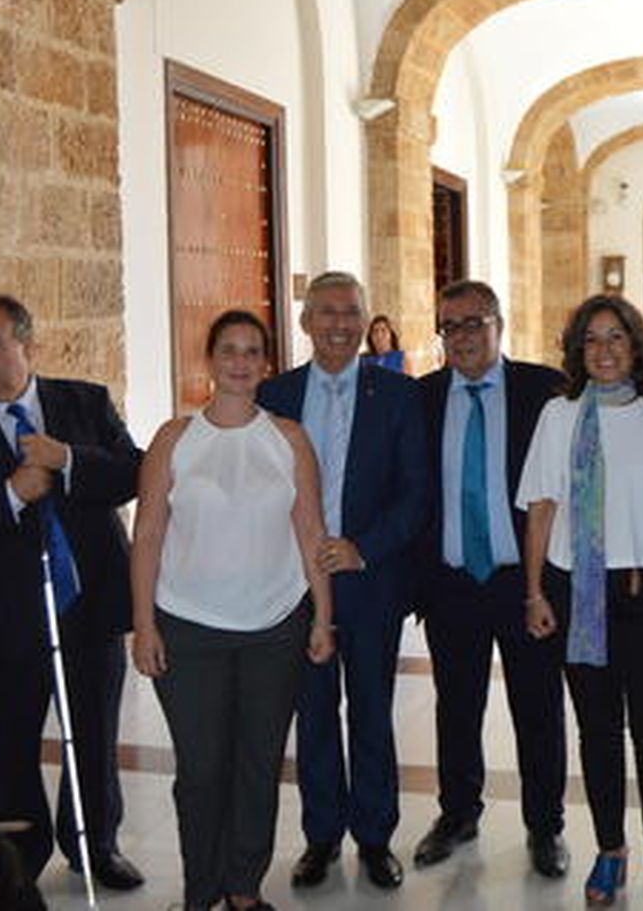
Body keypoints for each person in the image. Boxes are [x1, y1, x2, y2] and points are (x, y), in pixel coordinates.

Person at [0, 294, 144, 890]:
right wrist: (12, 494)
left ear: (28, 345)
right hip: (0, 618)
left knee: (93, 736)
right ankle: (18, 860)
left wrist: (68, 460)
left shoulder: (84, 402)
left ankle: (95, 847)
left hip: (88, 604)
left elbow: (135, 471)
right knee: (9, 747)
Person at [131, 309, 336, 911]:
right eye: (229, 350)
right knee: (201, 770)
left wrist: (322, 617)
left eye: (252, 351)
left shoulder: (289, 437)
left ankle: (243, 890)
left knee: (258, 765)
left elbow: (310, 532)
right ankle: (201, 894)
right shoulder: (174, 438)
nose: (241, 362)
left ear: (266, 363)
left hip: (275, 627)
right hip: (188, 628)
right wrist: (143, 624)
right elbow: (146, 537)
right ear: (211, 360)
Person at [256, 273, 429, 891]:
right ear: (305, 321)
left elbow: (416, 494)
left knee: (373, 711)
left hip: (370, 579)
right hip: (295, 586)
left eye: (350, 312)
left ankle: (376, 835)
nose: (339, 323)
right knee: (314, 711)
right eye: (326, 311)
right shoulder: (273, 393)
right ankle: (322, 835)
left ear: (365, 319)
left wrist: (364, 548)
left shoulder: (399, 395)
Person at [517, 294, 643, 907]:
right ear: (576, 351)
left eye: (616, 338)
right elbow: (541, 507)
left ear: (638, 346)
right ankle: (611, 849)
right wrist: (535, 591)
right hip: (578, 591)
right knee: (597, 732)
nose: (604, 350)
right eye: (591, 340)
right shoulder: (559, 415)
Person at [412, 279, 571, 880]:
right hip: (451, 582)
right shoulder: (421, 398)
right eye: (449, 327)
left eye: (474, 323)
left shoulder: (544, 389)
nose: (462, 337)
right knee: (456, 706)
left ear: (498, 325)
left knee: (538, 706)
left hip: (523, 583)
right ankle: (457, 814)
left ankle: (545, 824)